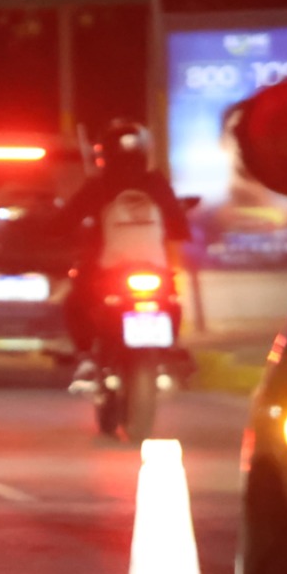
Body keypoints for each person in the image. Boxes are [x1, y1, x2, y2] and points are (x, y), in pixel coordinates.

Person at [61, 121, 192, 385]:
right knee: (171, 299)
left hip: (106, 269)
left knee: (76, 301)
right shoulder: (156, 184)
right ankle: (169, 351)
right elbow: (179, 226)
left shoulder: (99, 185)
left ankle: (86, 356)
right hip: (154, 267)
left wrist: (52, 231)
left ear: (104, 154)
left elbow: (65, 220)